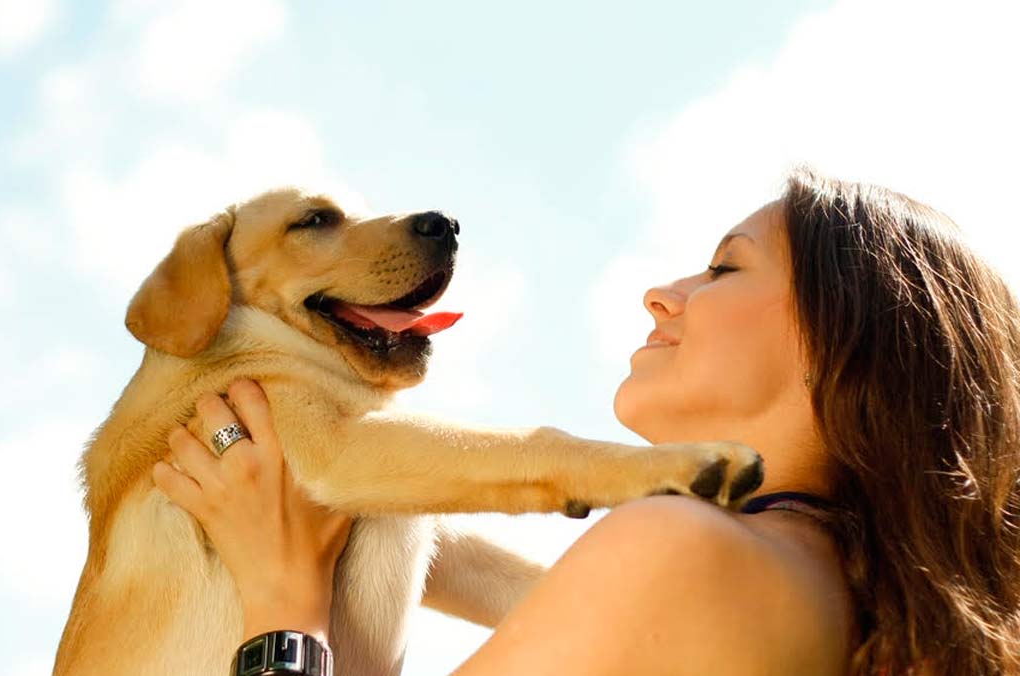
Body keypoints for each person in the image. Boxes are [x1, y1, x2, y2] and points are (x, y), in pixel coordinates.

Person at [151, 168, 1020, 675]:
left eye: (723, 270)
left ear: (846, 337)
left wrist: (282, 614)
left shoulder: (679, 548)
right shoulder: (842, 596)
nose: (664, 293)